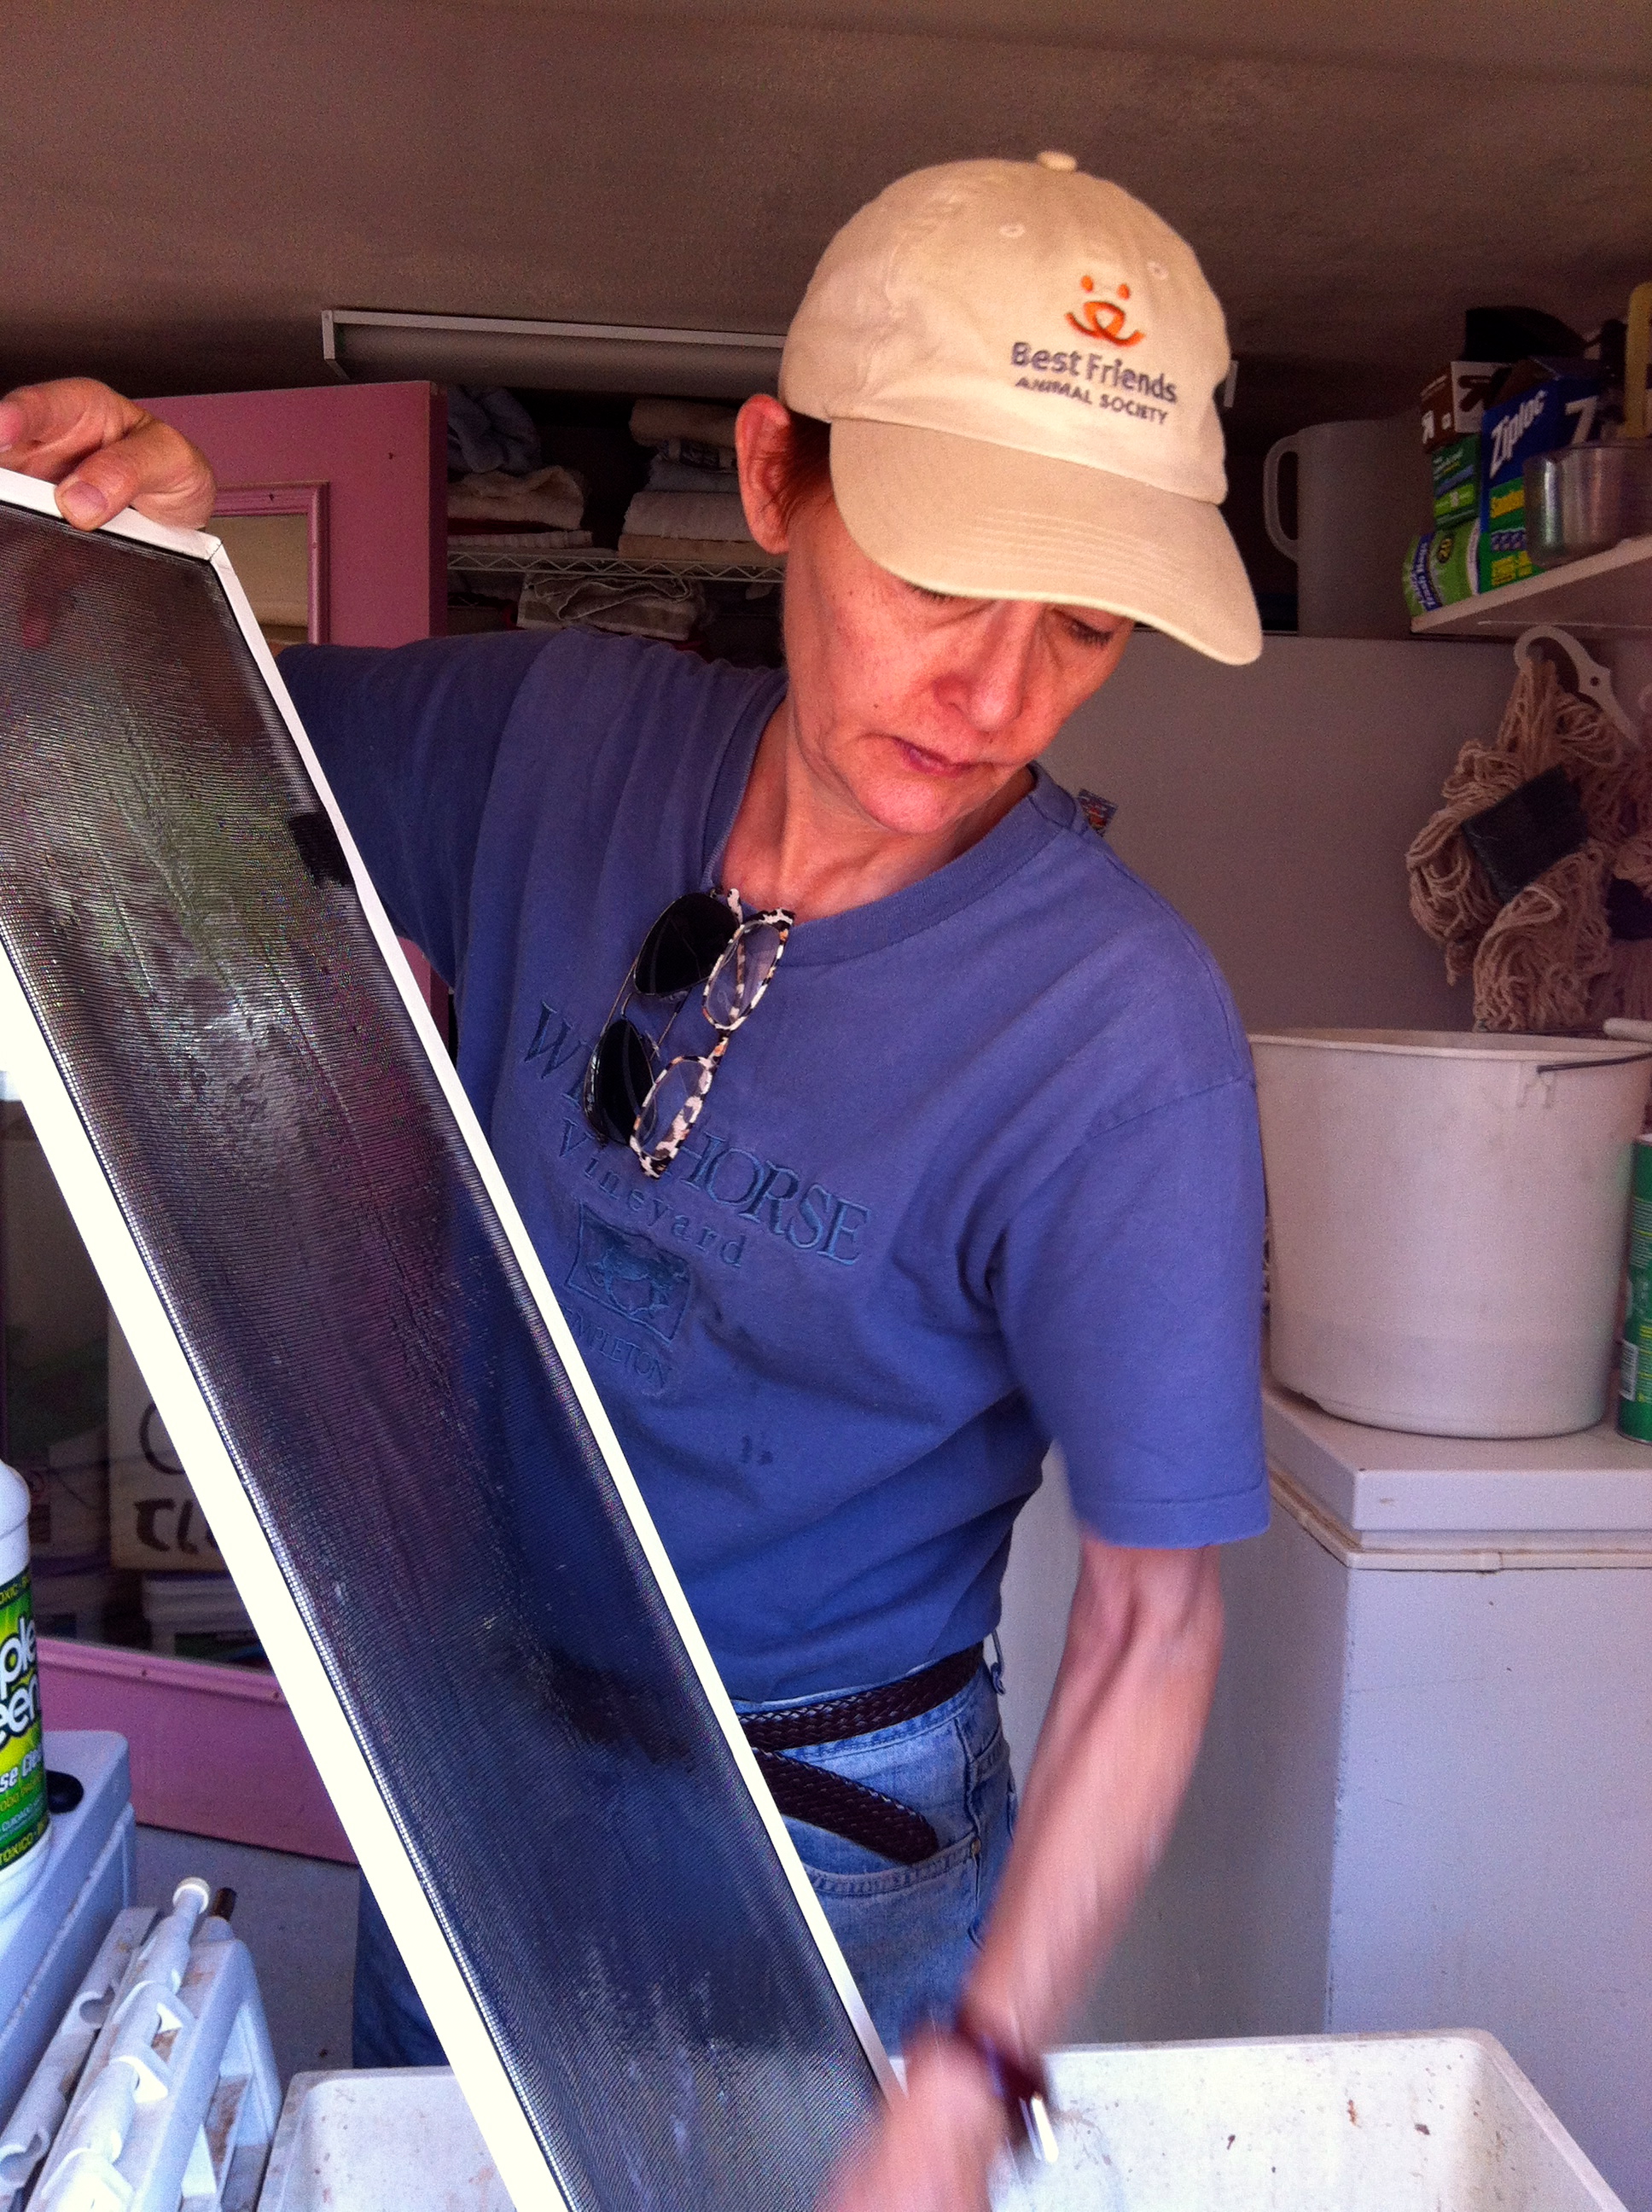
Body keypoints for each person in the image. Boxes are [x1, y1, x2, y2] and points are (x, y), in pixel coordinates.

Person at [3, 152, 1266, 2212]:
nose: (995, 695)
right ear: (774, 477)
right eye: (941, 577)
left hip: (824, 1823)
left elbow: (1154, 1620)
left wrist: (976, 2069)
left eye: (1084, 623)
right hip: (485, 1735)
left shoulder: (1120, 1040)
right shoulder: (553, 737)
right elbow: (156, 741)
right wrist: (130, 546)